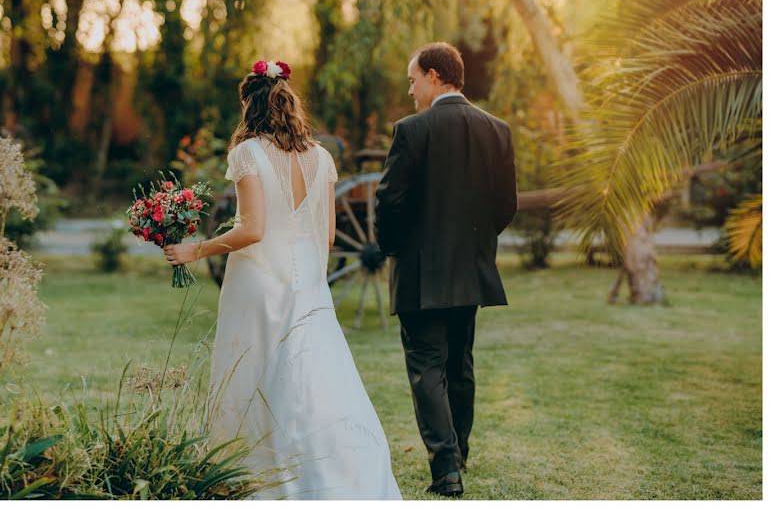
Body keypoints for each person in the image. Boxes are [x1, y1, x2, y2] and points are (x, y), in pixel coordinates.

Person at [163, 60, 402, 500]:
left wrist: (195, 249)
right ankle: (338, 469)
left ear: (249, 106)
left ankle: (253, 474)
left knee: (253, 371)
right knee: (314, 374)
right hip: (308, 281)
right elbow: (327, 235)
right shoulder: (321, 157)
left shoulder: (246, 153)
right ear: (288, 102)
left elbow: (253, 229)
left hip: (258, 279)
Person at [374, 42, 517, 497]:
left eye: (413, 79)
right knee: (460, 366)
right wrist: (474, 245)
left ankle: (446, 470)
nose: (411, 89)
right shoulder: (497, 130)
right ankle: (461, 456)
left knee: (426, 370)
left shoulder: (411, 131)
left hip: (421, 275)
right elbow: (505, 206)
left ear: (435, 75)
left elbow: (389, 202)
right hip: (470, 273)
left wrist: (398, 249)